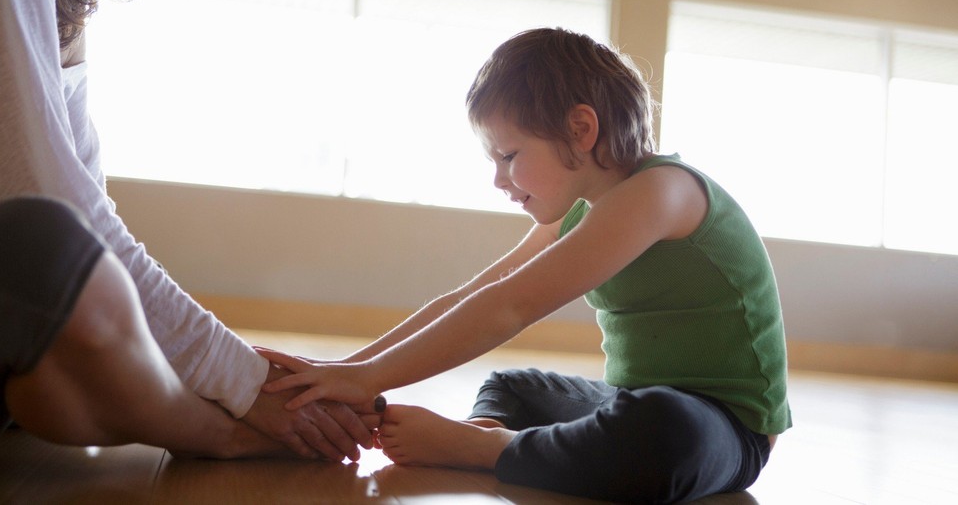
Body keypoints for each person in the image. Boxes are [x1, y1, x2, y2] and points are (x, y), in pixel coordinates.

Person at [257, 27, 793, 503]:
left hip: (724, 428)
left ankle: (488, 448)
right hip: (628, 401)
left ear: (581, 130)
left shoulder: (661, 191)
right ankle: (497, 436)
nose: (499, 180)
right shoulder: (583, 210)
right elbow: (477, 294)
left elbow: (512, 306)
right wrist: (349, 373)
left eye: (509, 156)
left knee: (662, 428)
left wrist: (366, 377)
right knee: (513, 385)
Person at [0, 0, 380, 460]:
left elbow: (86, 206)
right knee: (46, 247)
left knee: (74, 336)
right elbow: (46, 202)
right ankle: (215, 432)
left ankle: (169, 406)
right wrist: (243, 384)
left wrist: (239, 376)